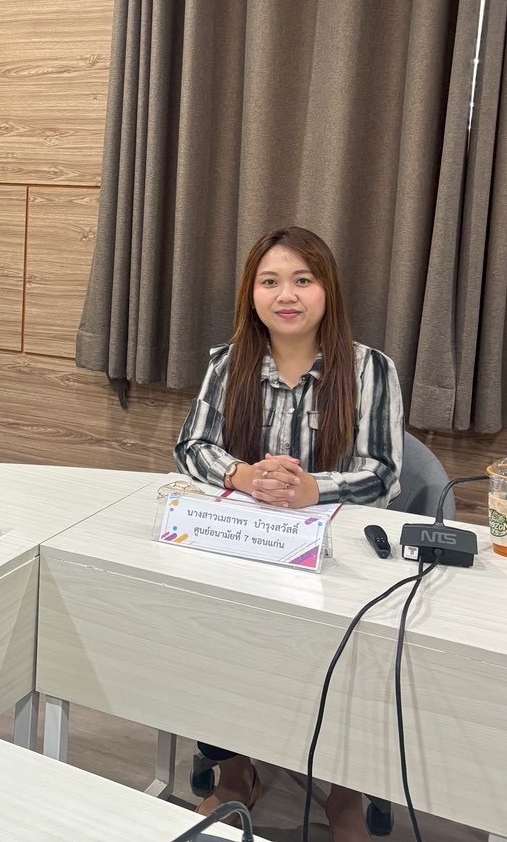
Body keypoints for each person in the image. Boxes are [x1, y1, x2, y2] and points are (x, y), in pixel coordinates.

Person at [173, 226, 402, 842]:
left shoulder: (370, 369)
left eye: (303, 280)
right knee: (215, 626)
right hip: (247, 540)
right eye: (270, 281)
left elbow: (384, 474)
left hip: (337, 556)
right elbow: (191, 447)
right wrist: (246, 476)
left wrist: (311, 490)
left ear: (328, 289)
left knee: (353, 649)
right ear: (252, 294)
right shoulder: (228, 364)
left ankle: (345, 792)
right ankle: (235, 770)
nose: (286, 295)